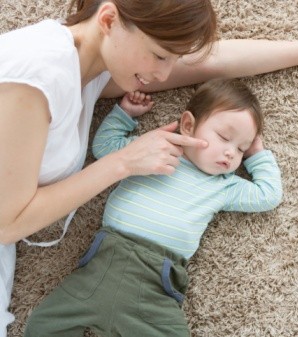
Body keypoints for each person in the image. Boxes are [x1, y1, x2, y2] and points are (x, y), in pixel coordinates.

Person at [0, 0, 298, 334]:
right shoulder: (37, 75)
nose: (165, 76)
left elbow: (212, 63)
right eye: (160, 56)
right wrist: (122, 163)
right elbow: (7, 224)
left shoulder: (93, 64)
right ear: (108, 20)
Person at [24, 78, 283, 337]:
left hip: (157, 280)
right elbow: (105, 147)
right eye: (224, 138)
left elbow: (268, 195)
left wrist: (257, 154)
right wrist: (125, 114)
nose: (230, 153)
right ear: (189, 125)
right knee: (41, 326)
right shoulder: (154, 149)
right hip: (105, 263)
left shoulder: (225, 185)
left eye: (240, 148)